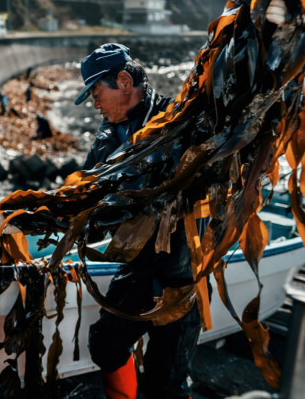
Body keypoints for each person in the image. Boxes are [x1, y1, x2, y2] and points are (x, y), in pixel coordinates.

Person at [74, 42, 201, 399]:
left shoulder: (180, 121)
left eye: (97, 92)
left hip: (181, 273)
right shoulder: (105, 138)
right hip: (138, 266)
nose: (95, 103)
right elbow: (87, 193)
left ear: (124, 81)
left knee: (167, 382)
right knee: (105, 345)